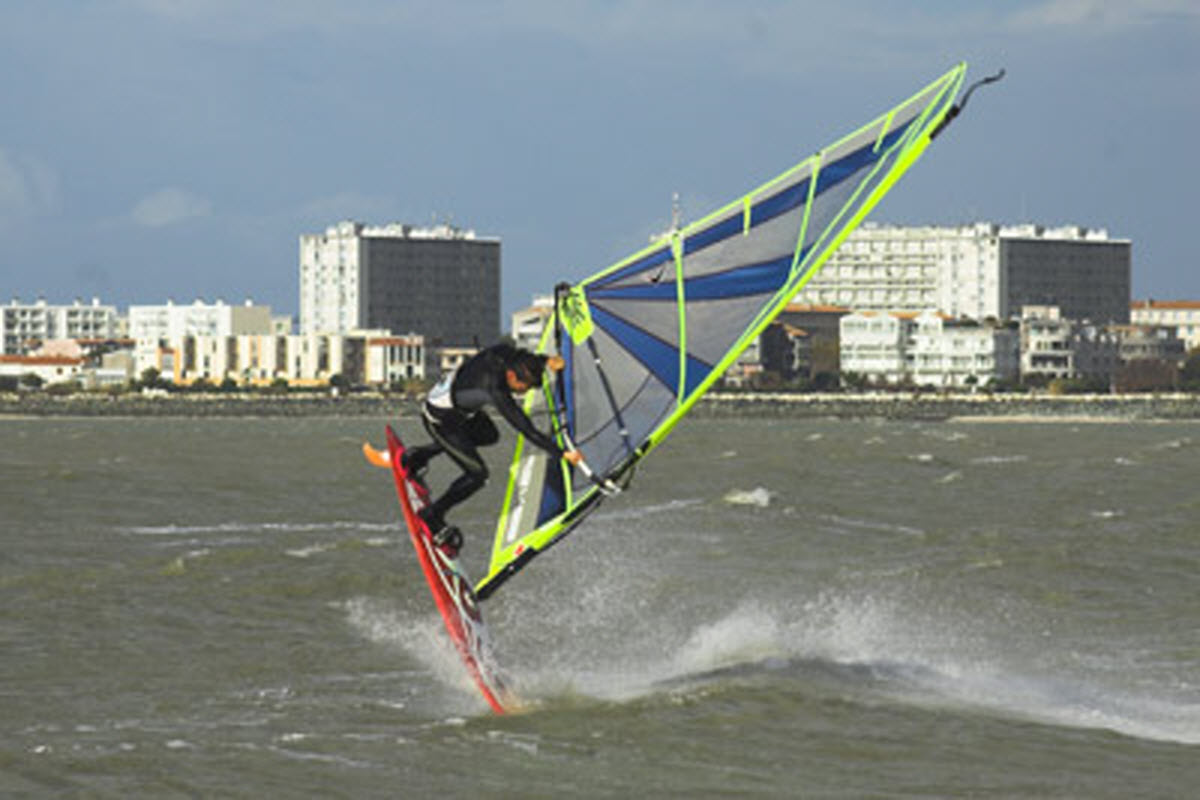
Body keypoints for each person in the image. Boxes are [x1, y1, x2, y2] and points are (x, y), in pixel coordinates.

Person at [403, 343, 582, 553]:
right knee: (477, 474)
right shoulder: (495, 390)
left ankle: (418, 456)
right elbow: (528, 431)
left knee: (489, 435)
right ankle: (433, 515)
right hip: (440, 422)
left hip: (459, 413)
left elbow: (522, 356)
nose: (525, 391)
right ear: (513, 377)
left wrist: (545, 360)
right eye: (527, 386)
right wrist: (562, 453)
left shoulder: (504, 354)